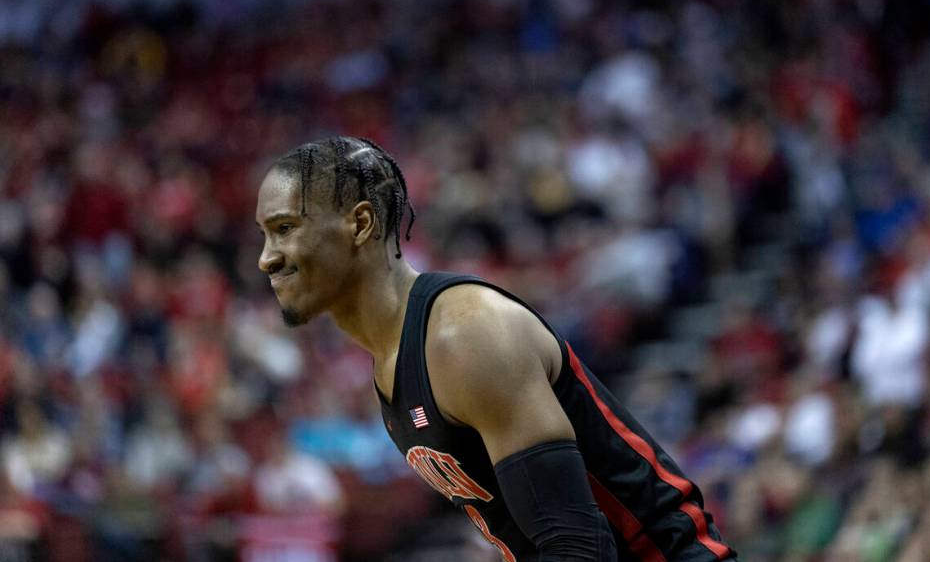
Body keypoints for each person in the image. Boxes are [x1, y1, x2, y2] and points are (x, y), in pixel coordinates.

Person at [255, 136, 736, 561]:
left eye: (284, 229)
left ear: (360, 224)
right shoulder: (393, 359)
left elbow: (579, 544)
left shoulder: (464, 335)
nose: (265, 258)